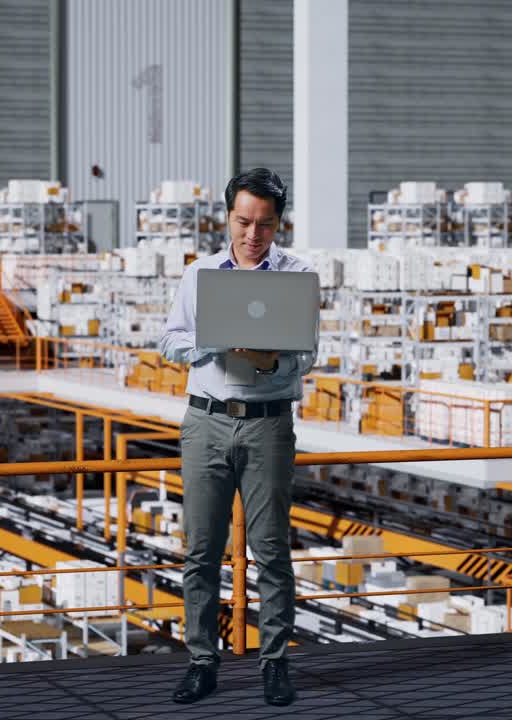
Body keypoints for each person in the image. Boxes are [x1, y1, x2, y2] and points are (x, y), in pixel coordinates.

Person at [159, 168, 314, 707]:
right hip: (206, 420)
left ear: (278, 223)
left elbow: (309, 353)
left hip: (270, 421)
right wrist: (215, 342)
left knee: (271, 549)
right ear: (228, 217)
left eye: (265, 225)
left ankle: (275, 662)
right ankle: (203, 662)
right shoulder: (199, 274)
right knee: (201, 549)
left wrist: (275, 354)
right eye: (244, 222)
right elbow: (168, 341)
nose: (253, 235)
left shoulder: (298, 274)